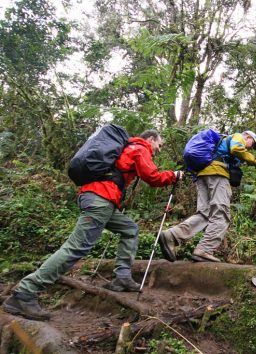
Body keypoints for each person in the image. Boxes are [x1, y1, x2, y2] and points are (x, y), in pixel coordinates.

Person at [2, 129, 183, 321]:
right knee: (76, 248)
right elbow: (152, 177)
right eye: (159, 145)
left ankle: (122, 277)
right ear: (150, 139)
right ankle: (25, 293)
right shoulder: (140, 147)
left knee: (130, 229)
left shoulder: (127, 148)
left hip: (100, 199)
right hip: (100, 200)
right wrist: (173, 175)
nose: (159, 150)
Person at [158, 130, 256, 263]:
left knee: (204, 213)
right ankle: (205, 249)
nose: (250, 147)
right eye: (252, 143)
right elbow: (236, 148)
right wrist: (254, 161)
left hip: (202, 174)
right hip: (217, 173)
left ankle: (171, 236)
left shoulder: (224, 144)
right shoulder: (238, 137)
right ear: (248, 136)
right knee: (221, 213)